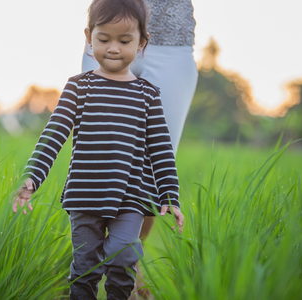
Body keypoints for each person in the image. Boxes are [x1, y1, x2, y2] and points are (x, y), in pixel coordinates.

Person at [12, 0, 184, 299]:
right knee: (85, 268)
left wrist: (170, 194)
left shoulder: (148, 96)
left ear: (142, 43)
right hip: (84, 195)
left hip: (130, 197)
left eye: (125, 40)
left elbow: (161, 149)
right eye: (103, 39)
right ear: (89, 38)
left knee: (122, 254)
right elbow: (53, 135)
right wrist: (32, 178)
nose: (113, 48)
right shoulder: (78, 87)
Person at [82, 1, 197, 298]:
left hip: (172, 43)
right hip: (108, 26)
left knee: (154, 160)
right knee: (100, 153)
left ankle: (128, 263)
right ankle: (89, 260)